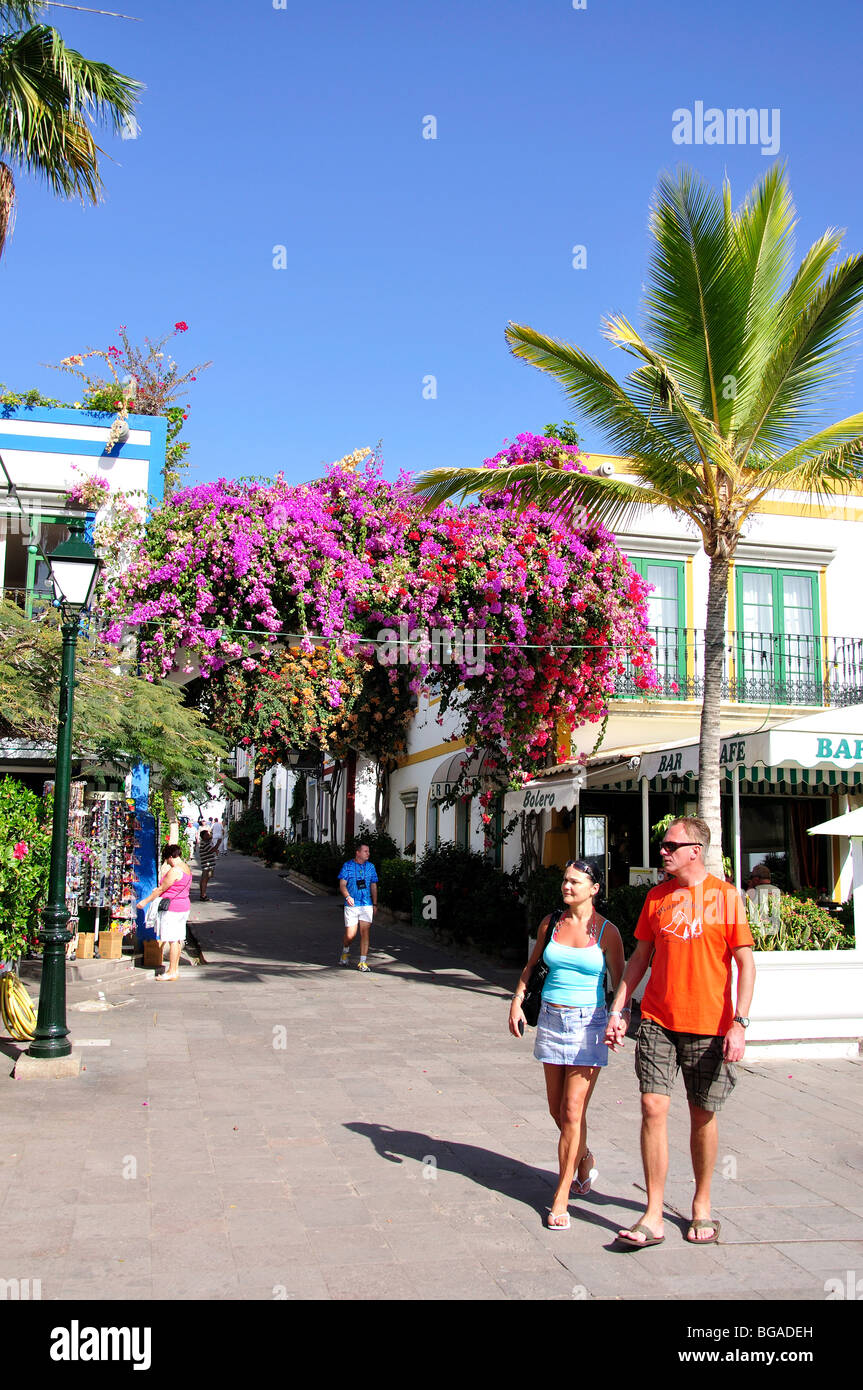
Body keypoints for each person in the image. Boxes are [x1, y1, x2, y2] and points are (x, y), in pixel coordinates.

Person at [605, 816, 756, 1247]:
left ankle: (701, 1204)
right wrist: (620, 1008)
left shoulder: (727, 899)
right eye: (663, 844)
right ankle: (652, 1214)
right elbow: (639, 958)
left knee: (701, 1115)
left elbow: (746, 965)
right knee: (653, 1107)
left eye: (671, 845)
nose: (663, 851)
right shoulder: (656, 898)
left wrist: (739, 1023)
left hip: (709, 1025)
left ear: (696, 849)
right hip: (658, 1020)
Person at [509, 859, 625, 1230]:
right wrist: (517, 999)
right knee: (556, 1111)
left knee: (573, 1111)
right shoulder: (551, 923)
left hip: (587, 1024)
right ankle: (585, 1158)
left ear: (594, 888)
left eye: (576, 882)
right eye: (565, 880)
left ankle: (561, 1196)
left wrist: (618, 1018)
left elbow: (623, 983)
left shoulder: (607, 932)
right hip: (551, 1019)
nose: (567, 886)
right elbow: (531, 966)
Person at [137, 843, 192, 982]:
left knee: (173, 939)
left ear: (170, 856)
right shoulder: (186, 868)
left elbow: (162, 889)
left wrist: (145, 901)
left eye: (167, 859)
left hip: (172, 908)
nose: (166, 861)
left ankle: (171, 971)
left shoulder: (175, 871)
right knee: (178, 939)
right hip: (183, 905)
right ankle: (175, 969)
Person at [338, 842, 378, 972]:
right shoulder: (348, 866)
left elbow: (373, 885)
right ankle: (345, 950)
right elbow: (342, 884)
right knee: (351, 935)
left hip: (366, 904)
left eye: (368, 851)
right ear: (358, 852)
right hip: (352, 905)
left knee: (365, 932)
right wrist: (347, 896)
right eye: (365, 851)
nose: (368, 853)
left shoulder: (371, 867)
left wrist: (375, 903)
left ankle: (362, 962)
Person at [198, 828, 217, 901]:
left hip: (209, 864)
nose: (209, 835)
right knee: (204, 880)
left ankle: (203, 894)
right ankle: (203, 895)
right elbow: (212, 850)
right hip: (207, 864)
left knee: (205, 879)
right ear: (204, 836)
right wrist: (218, 843)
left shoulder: (207, 842)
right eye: (207, 835)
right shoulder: (204, 843)